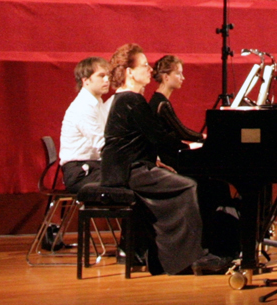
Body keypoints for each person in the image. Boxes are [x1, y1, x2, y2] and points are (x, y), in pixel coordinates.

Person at [98, 44, 230, 274]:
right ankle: (193, 258)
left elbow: (139, 141)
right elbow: (159, 138)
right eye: (144, 65)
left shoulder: (127, 99)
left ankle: (169, 256)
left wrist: (156, 161)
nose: (150, 69)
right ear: (130, 72)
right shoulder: (131, 100)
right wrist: (190, 147)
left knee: (181, 182)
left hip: (129, 168)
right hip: (128, 172)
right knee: (188, 186)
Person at [57, 55, 117, 223]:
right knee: (132, 180)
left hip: (91, 167)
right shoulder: (83, 107)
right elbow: (103, 145)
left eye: (108, 75)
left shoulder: (97, 103)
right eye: (101, 76)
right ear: (85, 80)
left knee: (135, 176)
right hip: (80, 173)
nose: (107, 80)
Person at [150, 55, 206, 153]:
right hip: (166, 155)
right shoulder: (162, 104)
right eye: (178, 74)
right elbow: (182, 132)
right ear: (166, 77)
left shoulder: (157, 99)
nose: (183, 78)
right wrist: (203, 136)